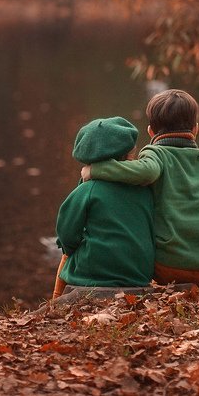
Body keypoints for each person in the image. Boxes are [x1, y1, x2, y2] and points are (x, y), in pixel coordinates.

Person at [81, 90, 199, 288]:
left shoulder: (156, 154)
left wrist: (96, 169)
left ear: (151, 132)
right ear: (195, 129)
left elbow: (145, 171)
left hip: (166, 265)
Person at [52, 116, 155, 299]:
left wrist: (72, 248)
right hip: (139, 274)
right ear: (129, 154)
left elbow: (66, 233)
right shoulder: (145, 189)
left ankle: (56, 300)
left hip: (93, 275)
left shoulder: (87, 190)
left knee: (68, 259)